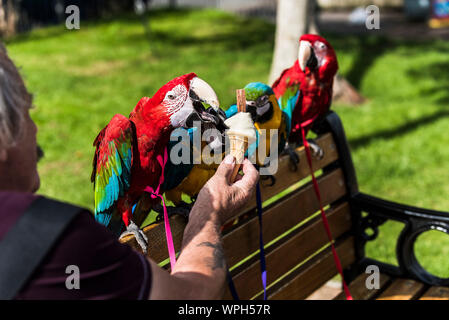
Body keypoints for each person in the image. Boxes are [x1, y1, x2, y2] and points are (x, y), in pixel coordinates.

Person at [0, 43, 259, 299]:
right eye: (27, 114)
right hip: (119, 213)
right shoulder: (62, 239)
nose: (36, 129)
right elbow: (193, 297)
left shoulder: (172, 138)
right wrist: (208, 213)